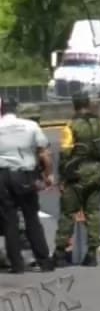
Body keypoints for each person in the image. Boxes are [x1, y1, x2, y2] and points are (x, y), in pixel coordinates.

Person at [55, 93, 100, 267]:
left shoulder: (71, 126)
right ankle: (92, 252)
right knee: (93, 212)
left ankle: (60, 252)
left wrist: (62, 177)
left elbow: (65, 153)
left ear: (74, 105)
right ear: (88, 104)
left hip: (77, 173)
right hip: (98, 171)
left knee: (68, 213)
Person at [0, 98, 54, 273]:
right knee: (31, 218)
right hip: (24, 174)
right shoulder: (30, 126)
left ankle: (16, 264)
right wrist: (48, 174)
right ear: (16, 109)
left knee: (9, 220)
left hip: (2, 175)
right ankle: (44, 261)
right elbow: (44, 153)